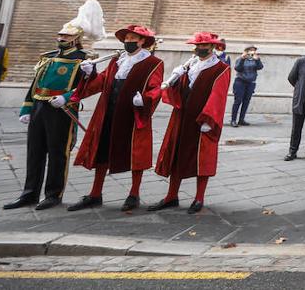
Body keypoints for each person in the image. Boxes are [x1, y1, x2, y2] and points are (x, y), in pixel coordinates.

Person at [4, 0, 101, 211]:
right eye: (60, 35)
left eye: (66, 36)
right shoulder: (47, 57)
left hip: (62, 110)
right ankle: (29, 193)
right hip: (40, 107)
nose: (61, 38)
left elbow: (89, 86)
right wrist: (26, 108)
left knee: (58, 152)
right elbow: (34, 85)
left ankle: (53, 194)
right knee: (34, 151)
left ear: (76, 39)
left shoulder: (84, 59)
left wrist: (66, 97)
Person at [66, 25, 164, 212]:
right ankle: (95, 194)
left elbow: (156, 88)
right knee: (101, 151)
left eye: (132, 38)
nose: (128, 41)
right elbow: (101, 82)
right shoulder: (116, 61)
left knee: (135, 154)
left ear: (142, 41)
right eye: (126, 38)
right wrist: (89, 74)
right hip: (108, 112)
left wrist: (144, 99)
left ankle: (134, 194)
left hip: (133, 114)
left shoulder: (153, 63)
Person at [150, 31, 231, 214]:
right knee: (176, 155)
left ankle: (198, 198)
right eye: (198, 45)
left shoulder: (221, 68)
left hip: (202, 119)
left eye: (204, 46)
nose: (200, 48)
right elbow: (182, 89)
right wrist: (177, 78)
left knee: (201, 158)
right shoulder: (190, 65)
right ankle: (172, 196)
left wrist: (209, 118)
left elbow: (218, 95)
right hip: (183, 116)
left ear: (212, 47)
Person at [229, 45, 263, 127]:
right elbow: (237, 68)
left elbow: (260, 67)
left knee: (246, 101)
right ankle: (233, 120)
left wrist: (257, 60)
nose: (252, 52)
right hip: (240, 82)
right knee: (238, 101)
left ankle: (241, 120)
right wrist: (242, 59)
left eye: (254, 50)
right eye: (250, 50)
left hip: (251, 83)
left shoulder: (255, 59)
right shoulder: (240, 58)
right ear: (246, 51)